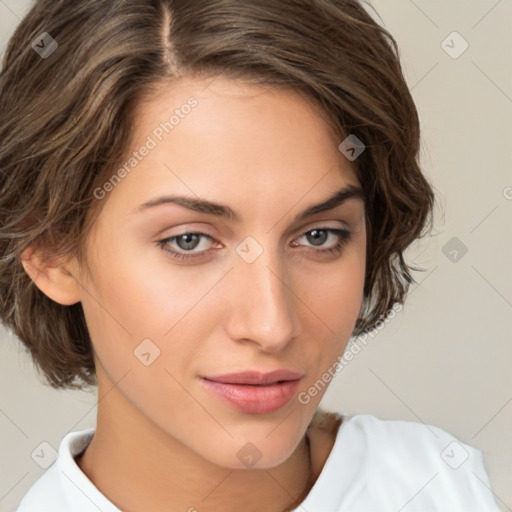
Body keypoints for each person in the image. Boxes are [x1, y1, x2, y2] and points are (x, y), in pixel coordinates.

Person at [0, 1, 500, 511]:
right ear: (50, 251)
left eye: (319, 236)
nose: (272, 325)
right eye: (189, 240)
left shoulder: (442, 487)